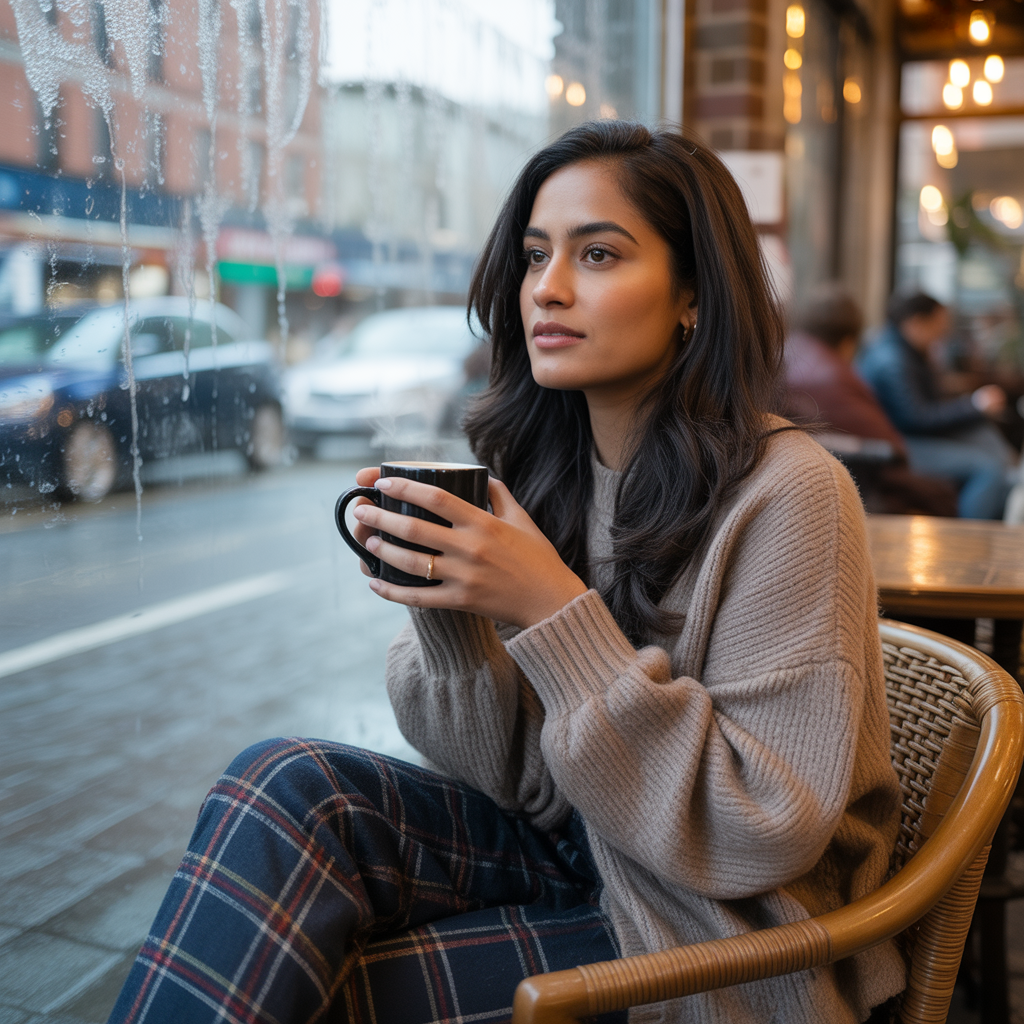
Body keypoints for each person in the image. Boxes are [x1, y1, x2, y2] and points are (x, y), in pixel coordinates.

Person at [109, 123, 903, 1024]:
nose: (548, 288)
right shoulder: (549, 472)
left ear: (693, 293)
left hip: (722, 939)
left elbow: (763, 830)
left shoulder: (792, 492)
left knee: (323, 993)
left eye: (597, 253)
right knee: (281, 783)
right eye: (534, 255)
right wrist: (454, 620)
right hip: (582, 852)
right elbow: (522, 785)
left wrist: (549, 607)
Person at [783, 283, 957, 516]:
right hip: (857, 480)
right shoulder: (834, 376)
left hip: (813, 474)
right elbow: (894, 450)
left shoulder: (792, 354)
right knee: (976, 474)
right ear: (848, 341)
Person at [857, 291, 1016, 519]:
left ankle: (1007, 507)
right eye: (939, 324)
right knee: (987, 469)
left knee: (985, 438)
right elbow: (917, 418)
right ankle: (969, 535)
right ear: (916, 323)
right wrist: (974, 405)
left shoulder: (902, 350)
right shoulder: (893, 361)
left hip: (908, 435)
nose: (944, 331)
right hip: (901, 443)